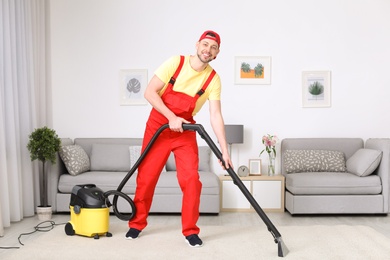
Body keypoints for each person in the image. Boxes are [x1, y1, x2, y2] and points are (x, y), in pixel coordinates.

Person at [126, 30, 232, 248]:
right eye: (205, 44)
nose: (208, 50)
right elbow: (149, 92)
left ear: (217, 53)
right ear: (197, 45)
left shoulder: (213, 79)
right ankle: (136, 224)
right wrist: (171, 117)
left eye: (213, 48)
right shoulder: (176, 63)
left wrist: (224, 150)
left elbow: (215, 115)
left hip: (184, 130)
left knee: (191, 180)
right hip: (159, 126)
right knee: (146, 177)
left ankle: (190, 231)